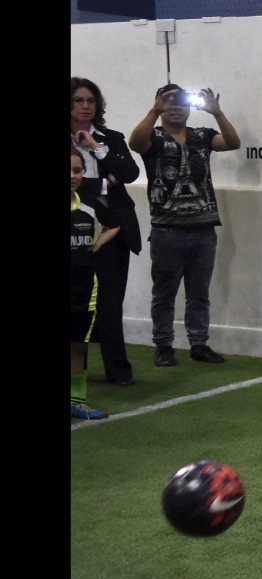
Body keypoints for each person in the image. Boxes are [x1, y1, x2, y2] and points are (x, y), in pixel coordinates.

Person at [128, 84, 241, 368]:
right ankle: (163, 345)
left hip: (203, 229)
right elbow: (134, 143)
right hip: (167, 230)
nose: (176, 107)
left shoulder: (202, 136)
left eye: (181, 101)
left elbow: (232, 143)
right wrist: (155, 110)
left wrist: (217, 113)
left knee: (199, 292)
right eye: (169, 102)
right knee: (164, 293)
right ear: (159, 105)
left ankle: (199, 343)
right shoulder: (153, 137)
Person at [71, 77, 142, 387]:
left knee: (110, 303)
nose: (85, 106)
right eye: (78, 100)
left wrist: (96, 148)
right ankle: (78, 373)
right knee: (76, 305)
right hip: (77, 231)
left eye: (90, 100)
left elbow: (129, 173)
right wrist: (102, 183)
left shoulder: (109, 138)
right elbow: (87, 186)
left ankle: (118, 370)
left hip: (114, 230)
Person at [72, 146, 119, 420]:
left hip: (83, 292)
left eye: (77, 170)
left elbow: (115, 223)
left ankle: (75, 401)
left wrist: (95, 246)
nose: (72, 175)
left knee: (78, 346)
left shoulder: (89, 208)